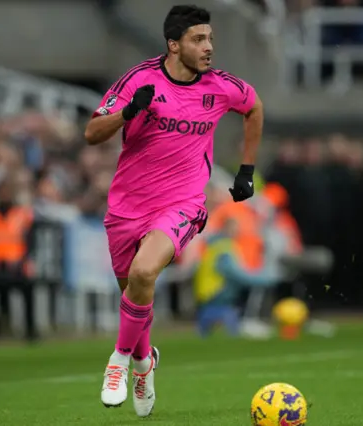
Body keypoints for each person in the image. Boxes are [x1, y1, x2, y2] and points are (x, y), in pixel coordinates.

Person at [83, 5, 264, 416]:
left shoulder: (221, 86)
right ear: (173, 44)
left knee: (145, 273)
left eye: (211, 39)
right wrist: (128, 113)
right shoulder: (139, 80)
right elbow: (92, 132)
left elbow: (254, 107)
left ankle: (118, 363)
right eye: (199, 39)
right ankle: (145, 363)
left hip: (182, 204)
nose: (209, 47)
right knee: (135, 292)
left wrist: (247, 169)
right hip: (127, 207)